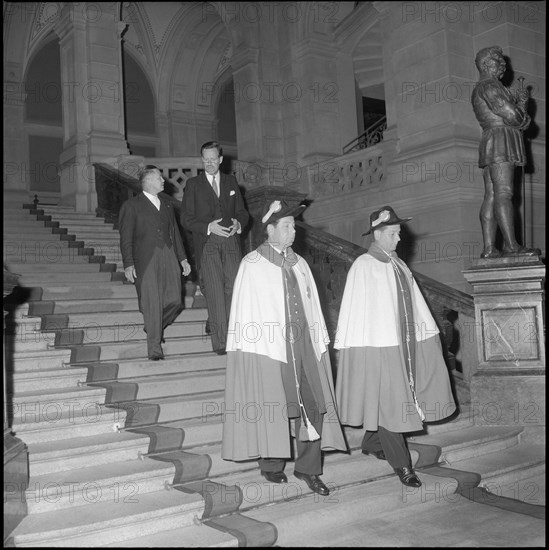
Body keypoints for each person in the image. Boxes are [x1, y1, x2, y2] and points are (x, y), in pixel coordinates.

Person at [222, 199, 347, 496]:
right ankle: (271, 464)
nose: (293, 232)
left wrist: (318, 343)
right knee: (273, 406)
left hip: (304, 346)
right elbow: (245, 313)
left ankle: (308, 468)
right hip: (269, 348)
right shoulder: (252, 264)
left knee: (315, 404)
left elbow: (312, 307)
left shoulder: (300, 263)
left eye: (293, 226)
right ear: (270, 229)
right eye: (287, 226)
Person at [334, 206, 456, 488]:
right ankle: (403, 466)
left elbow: (415, 304)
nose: (398, 238)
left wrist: (427, 335)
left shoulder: (399, 265)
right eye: (393, 233)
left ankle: (372, 441)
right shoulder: (364, 266)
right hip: (380, 349)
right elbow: (354, 313)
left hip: (406, 346)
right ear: (377, 234)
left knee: (393, 402)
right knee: (393, 406)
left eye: (398, 233)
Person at [181, 142, 249, 354]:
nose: (209, 163)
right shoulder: (193, 184)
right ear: (202, 159)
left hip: (231, 242)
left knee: (233, 288)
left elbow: (243, 212)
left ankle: (220, 322)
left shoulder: (231, 181)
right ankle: (221, 343)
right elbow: (185, 218)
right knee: (215, 289)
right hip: (208, 243)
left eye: (213, 159)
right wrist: (208, 227)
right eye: (205, 159)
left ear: (221, 159)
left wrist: (239, 224)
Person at [471, 45, 539, 258]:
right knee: (504, 193)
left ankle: (490, 248)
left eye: (502, 62)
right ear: (485, 64)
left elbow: (509, 112)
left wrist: (521, 103)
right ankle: (510, 246)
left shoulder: (482, 87)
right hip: (500, 140)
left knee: (492, 195)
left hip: (492, 140)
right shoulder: (490, 86)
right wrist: (523, 116)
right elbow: (510, 114)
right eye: (498, 62)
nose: (502, 66)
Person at [119, 167, 191, 360]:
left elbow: (175, 233)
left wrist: (183, 258)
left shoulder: (167, 205)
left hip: (168, 255)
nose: (163, 181)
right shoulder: (131, 205)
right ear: (148, 181)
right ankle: (154, 348)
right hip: (146, 259)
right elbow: (125, 238)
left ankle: (153, 326)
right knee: (152, 303)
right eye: (159, 178)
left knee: (175, 300)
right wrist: (128, 263)